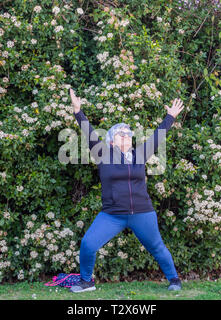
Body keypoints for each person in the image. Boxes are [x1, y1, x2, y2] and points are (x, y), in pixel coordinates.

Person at [68, 88, 184, 293]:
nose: (127, 136)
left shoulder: (140, 153)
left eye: (129, 134)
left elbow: (158, 136)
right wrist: (78, 112)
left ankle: (174, 279)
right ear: (111, 141)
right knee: (88, 244)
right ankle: (86, 282)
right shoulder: (103, 154)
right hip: (112, 214)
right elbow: (89, 134)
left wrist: (170, 117)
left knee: (157, 247)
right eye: (122, 134)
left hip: (142, 212)